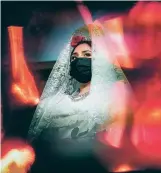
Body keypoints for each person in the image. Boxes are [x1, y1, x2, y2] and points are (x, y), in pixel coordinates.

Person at [27, 23, 131, 158]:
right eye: (75, 57)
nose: (80, 61)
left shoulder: (115, 97)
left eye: (87, 55)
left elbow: (116, 140)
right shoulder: (56, 100)